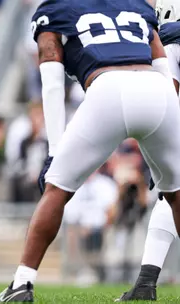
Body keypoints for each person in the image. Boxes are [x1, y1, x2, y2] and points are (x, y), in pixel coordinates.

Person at [0, 0, 180, 302]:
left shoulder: (55, 10)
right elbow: (162, 66)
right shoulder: (138, 6)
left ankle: (21, 284)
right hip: (158, 91)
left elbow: (52, 83)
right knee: (176, 194)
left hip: (108, 87)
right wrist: (165, 141)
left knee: (57, 189)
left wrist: (53, 151)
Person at [118, 0, 180, 301]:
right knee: (170, 197)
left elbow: (169, 92)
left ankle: (146, 283)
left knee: (171, 195)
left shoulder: (169, 40)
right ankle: (146, 282)